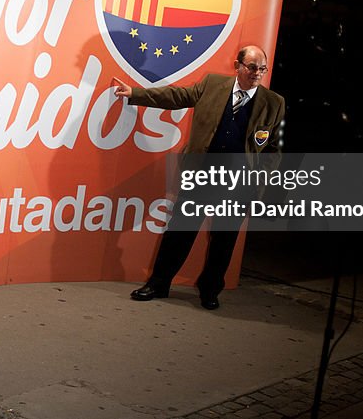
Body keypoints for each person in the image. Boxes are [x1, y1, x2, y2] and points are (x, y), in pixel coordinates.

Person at [111, 44, 285, 310]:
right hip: (201, 176)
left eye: (262, 69)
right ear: (237, 65)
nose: (257, 73)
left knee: (224, 241)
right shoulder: (212, 85)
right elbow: (177, 96)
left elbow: (272, 149)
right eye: (252, 67)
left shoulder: (274, 103)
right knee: (179, 232)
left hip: (238, 185)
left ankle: (210, 291)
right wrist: (135, 93)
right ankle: (158, 283)